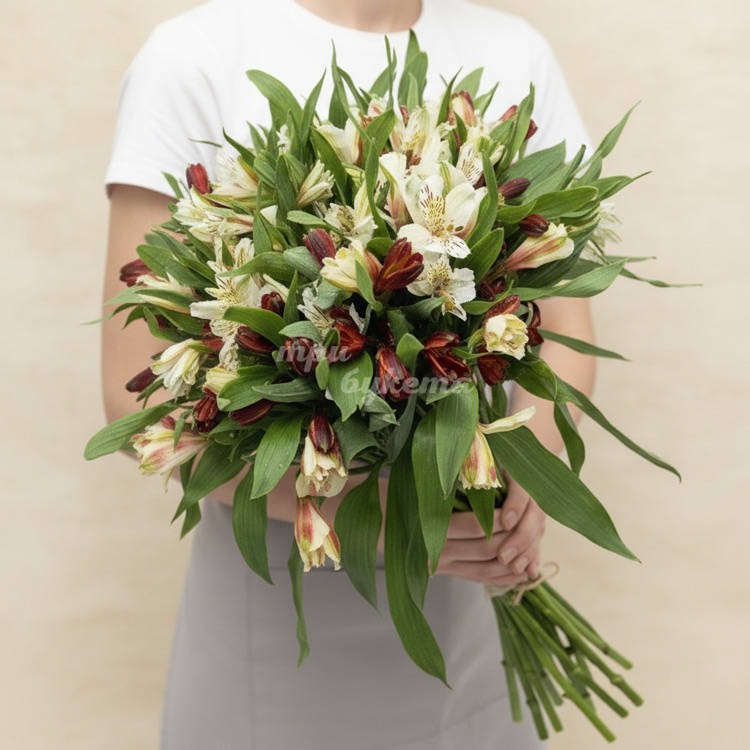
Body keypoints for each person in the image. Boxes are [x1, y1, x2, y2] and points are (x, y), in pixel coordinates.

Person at [102, 1, 596, 747]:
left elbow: (568, 330)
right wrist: (385, 519)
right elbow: (135, 393)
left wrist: (530, 468)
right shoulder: (193, 55)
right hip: (279, 600)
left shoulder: (515, 50)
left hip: (472, 574)